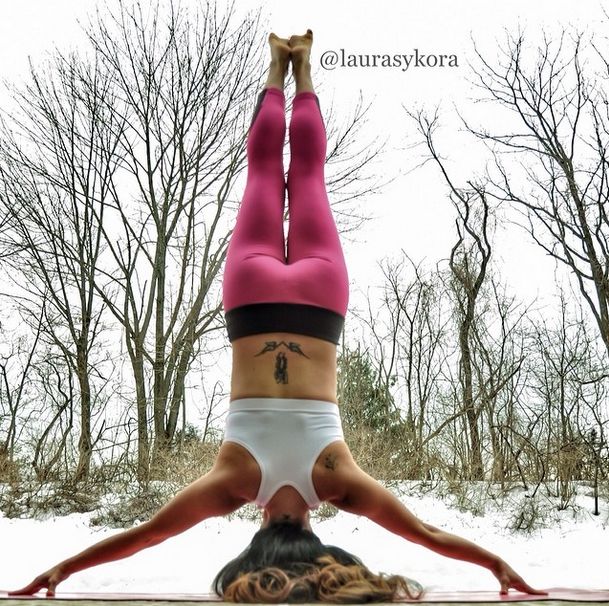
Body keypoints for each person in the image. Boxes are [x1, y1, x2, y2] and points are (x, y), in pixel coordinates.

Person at [9, 30, 546, 603]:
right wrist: (59, 569)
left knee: (308, 177)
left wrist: (497, 563)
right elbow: (147, 536)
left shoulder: (337, 479)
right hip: (253, 300)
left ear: (319, 546)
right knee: (264, 172)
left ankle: (304, 65)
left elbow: (426, 534)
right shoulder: (233, 481)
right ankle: (277, 63)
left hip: (318, 301)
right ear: (256, 542)